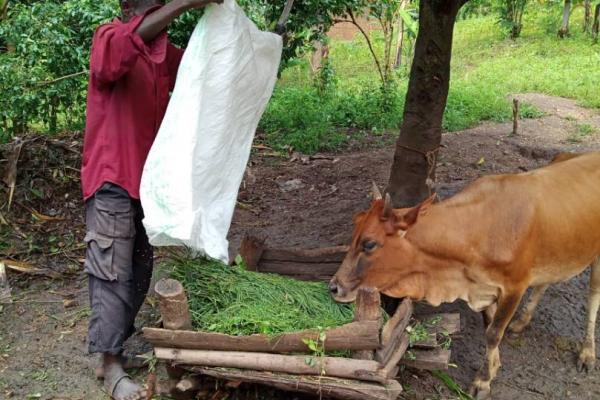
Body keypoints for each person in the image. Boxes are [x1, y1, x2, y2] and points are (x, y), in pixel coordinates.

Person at [81, 0, 221, 398]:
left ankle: (115, 351)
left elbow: (205, 67)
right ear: (130, 8)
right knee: (111, 270)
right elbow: (118, 55)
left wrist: (252, 46)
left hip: (149, 184)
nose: (160, 11)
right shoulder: (109, 37)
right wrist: (187, 2)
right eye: (153, 5)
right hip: (111, 177)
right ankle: (109, 367)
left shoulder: (163, 57)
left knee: (140, 268)